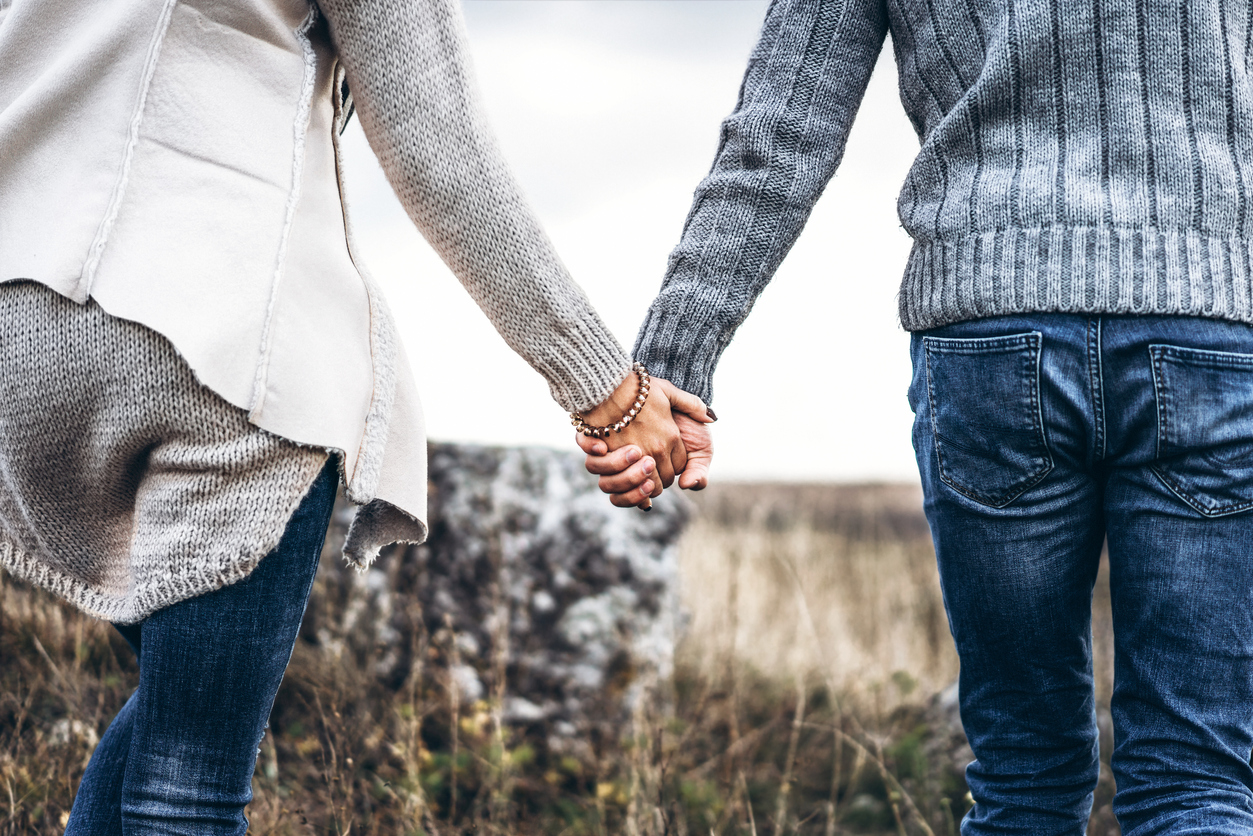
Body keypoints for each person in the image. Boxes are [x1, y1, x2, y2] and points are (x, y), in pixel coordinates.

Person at [0, 0, 708, 831]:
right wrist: (608, 393)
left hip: (22, 323)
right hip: (216, 344)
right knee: (188, 779)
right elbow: (439, 150)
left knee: (179, 709)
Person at [581, 0, 1253, 832]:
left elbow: (782, 125)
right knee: (1197, 780)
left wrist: (667, 370)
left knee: (1024, 773)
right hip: (1209, 334)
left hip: (991, 343)